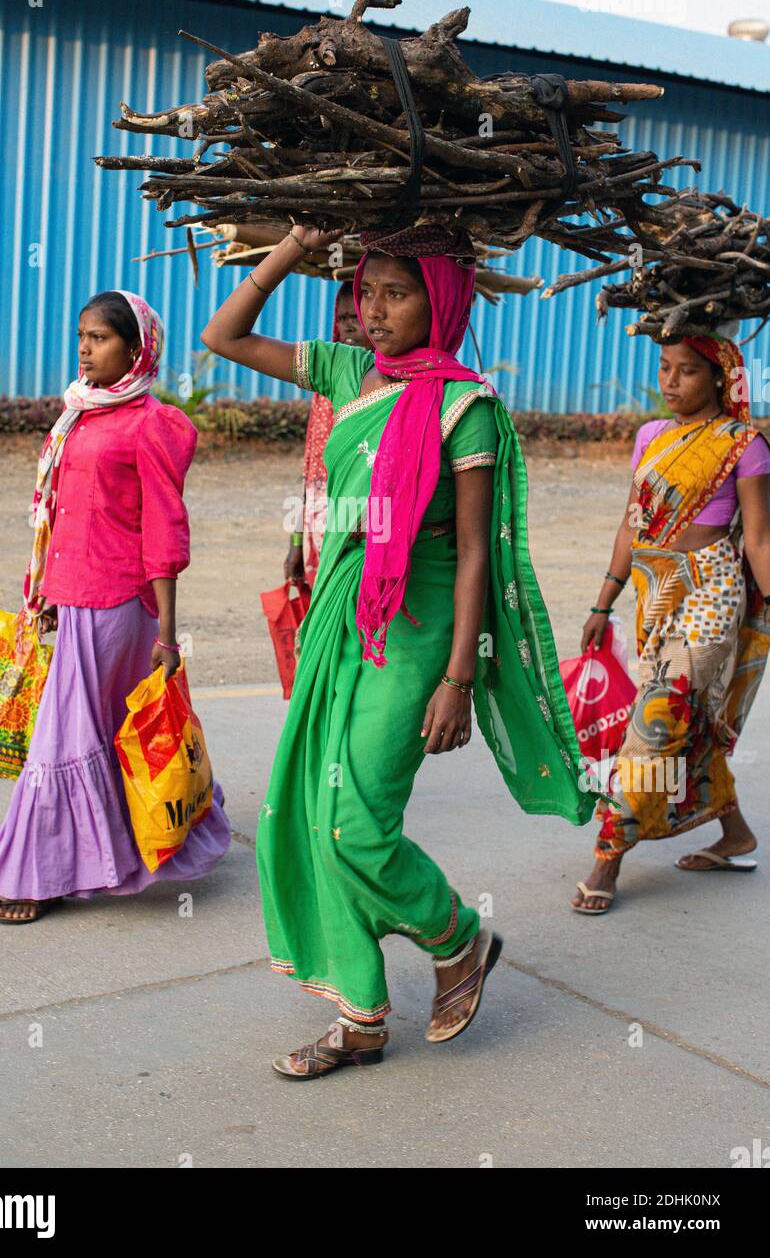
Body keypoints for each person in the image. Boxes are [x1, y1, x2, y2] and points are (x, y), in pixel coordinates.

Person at [202, 223, 593, 1078]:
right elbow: (221, 336)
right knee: (314, 808)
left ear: (440, 300)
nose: (373, 312)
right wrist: (293, 247)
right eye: (365, 292)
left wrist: (461, 675)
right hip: (342, 616)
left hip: (417, 631)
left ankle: (457, 936)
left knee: (355, 818)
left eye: (396, 293)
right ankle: (361, 1018)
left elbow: (477, 554)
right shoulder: (348, 374)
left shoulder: (467, 405)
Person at [0, 290, 231, 923]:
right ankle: (139, 842)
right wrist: (47, 595)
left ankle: (38, 873)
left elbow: (163, 530)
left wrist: (167, 635)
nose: (86, 348)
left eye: (100, 338)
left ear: (136, 347)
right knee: (107, 733)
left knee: (63, 738)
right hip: (74, 596)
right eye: (82, 336)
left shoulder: (151, 423)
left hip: (120, 604)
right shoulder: (80, 413)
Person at [573, 331, 770, 914]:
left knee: (657, 719)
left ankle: (608, 857)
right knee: (693, 717)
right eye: (663, 368)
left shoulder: (745, 445)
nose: (670, 381)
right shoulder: (650, 438)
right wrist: (602, 602)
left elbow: (758, 538)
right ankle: (735, 834)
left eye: (685, 371)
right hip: (654, 592)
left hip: (711, 592)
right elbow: (631, 527)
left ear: (717, 378)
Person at [284, 283, 368, 581]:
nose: (347, 326)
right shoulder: (326, 387)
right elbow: (311, 474)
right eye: (342, 318)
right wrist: (296, 543)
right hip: (321, 524)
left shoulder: (388, 389)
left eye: (355, 317)